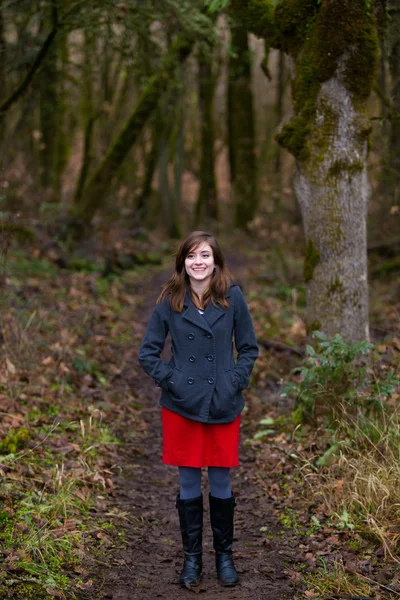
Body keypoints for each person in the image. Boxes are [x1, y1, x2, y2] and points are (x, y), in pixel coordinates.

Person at [138, 231, 258, 588]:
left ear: (216, 261)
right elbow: (148, 353)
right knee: (189, 480)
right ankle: (192, 560)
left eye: (205, 255)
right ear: (183, 263)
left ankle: (224, 557)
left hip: (223, 401)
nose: (198, 262)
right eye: (191, 256)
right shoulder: (170, 299)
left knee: (221, 480)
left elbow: (249, 348)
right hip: (181, 404)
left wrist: (234, 380)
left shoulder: (232, 297)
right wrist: (172, 380)